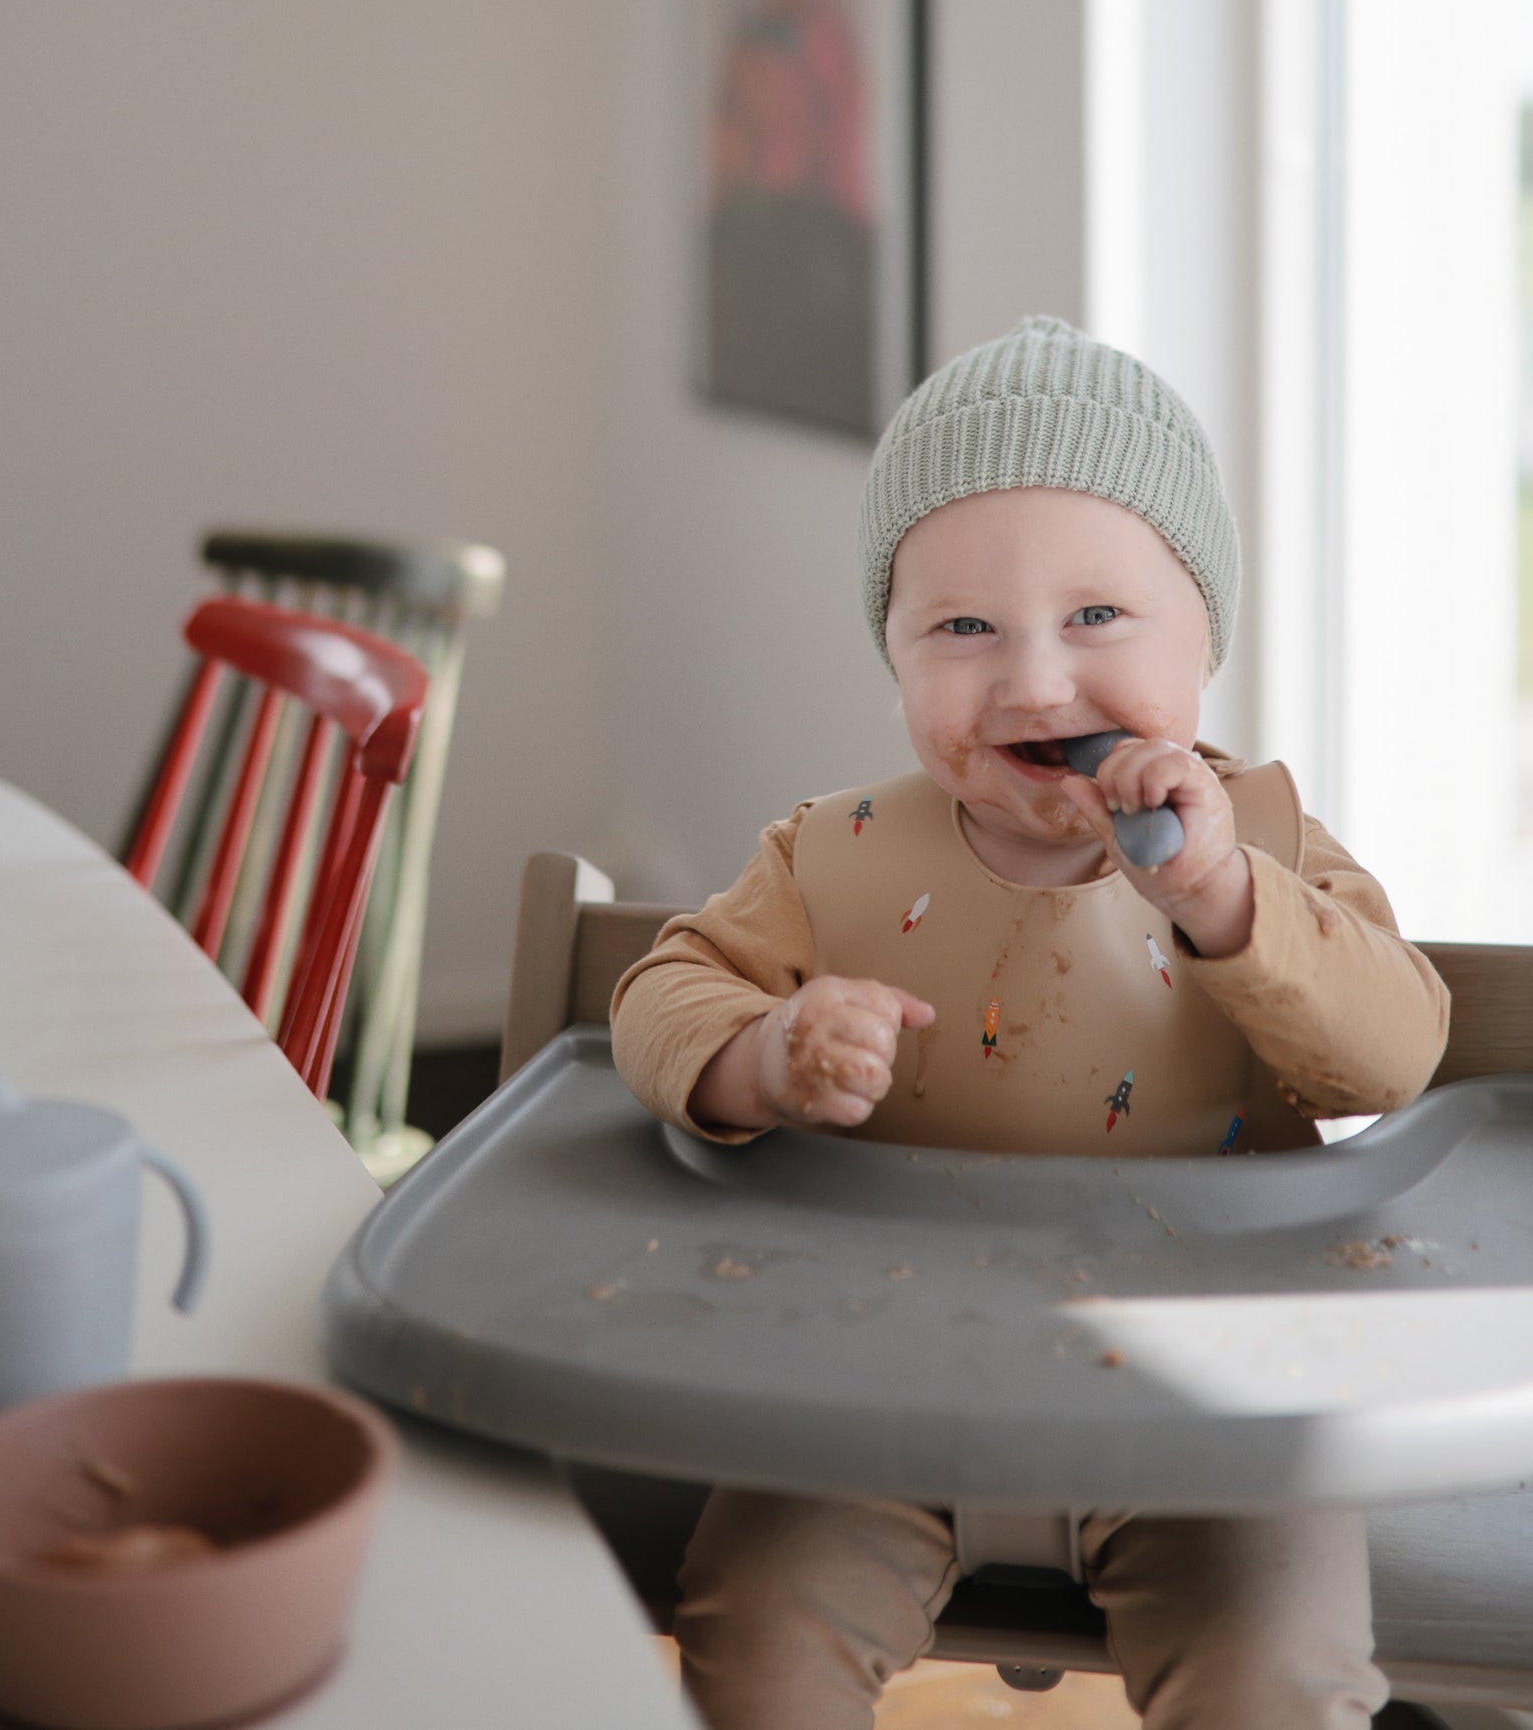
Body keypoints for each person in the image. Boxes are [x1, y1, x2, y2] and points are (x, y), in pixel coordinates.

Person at [610, 314, 1451, 1729]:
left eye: (1099, 617)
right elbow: (657, 992)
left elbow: (1396, 1050)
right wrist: (765, 1051)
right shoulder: (833, 854)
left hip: (1215, 1390)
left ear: (1205, 638)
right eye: (961, 628)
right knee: (754, 1632)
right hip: (872, 1375)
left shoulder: (1264, 840)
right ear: (890, 648)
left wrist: (1223, 900)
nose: (1036, 680)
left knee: (1276, 1668)